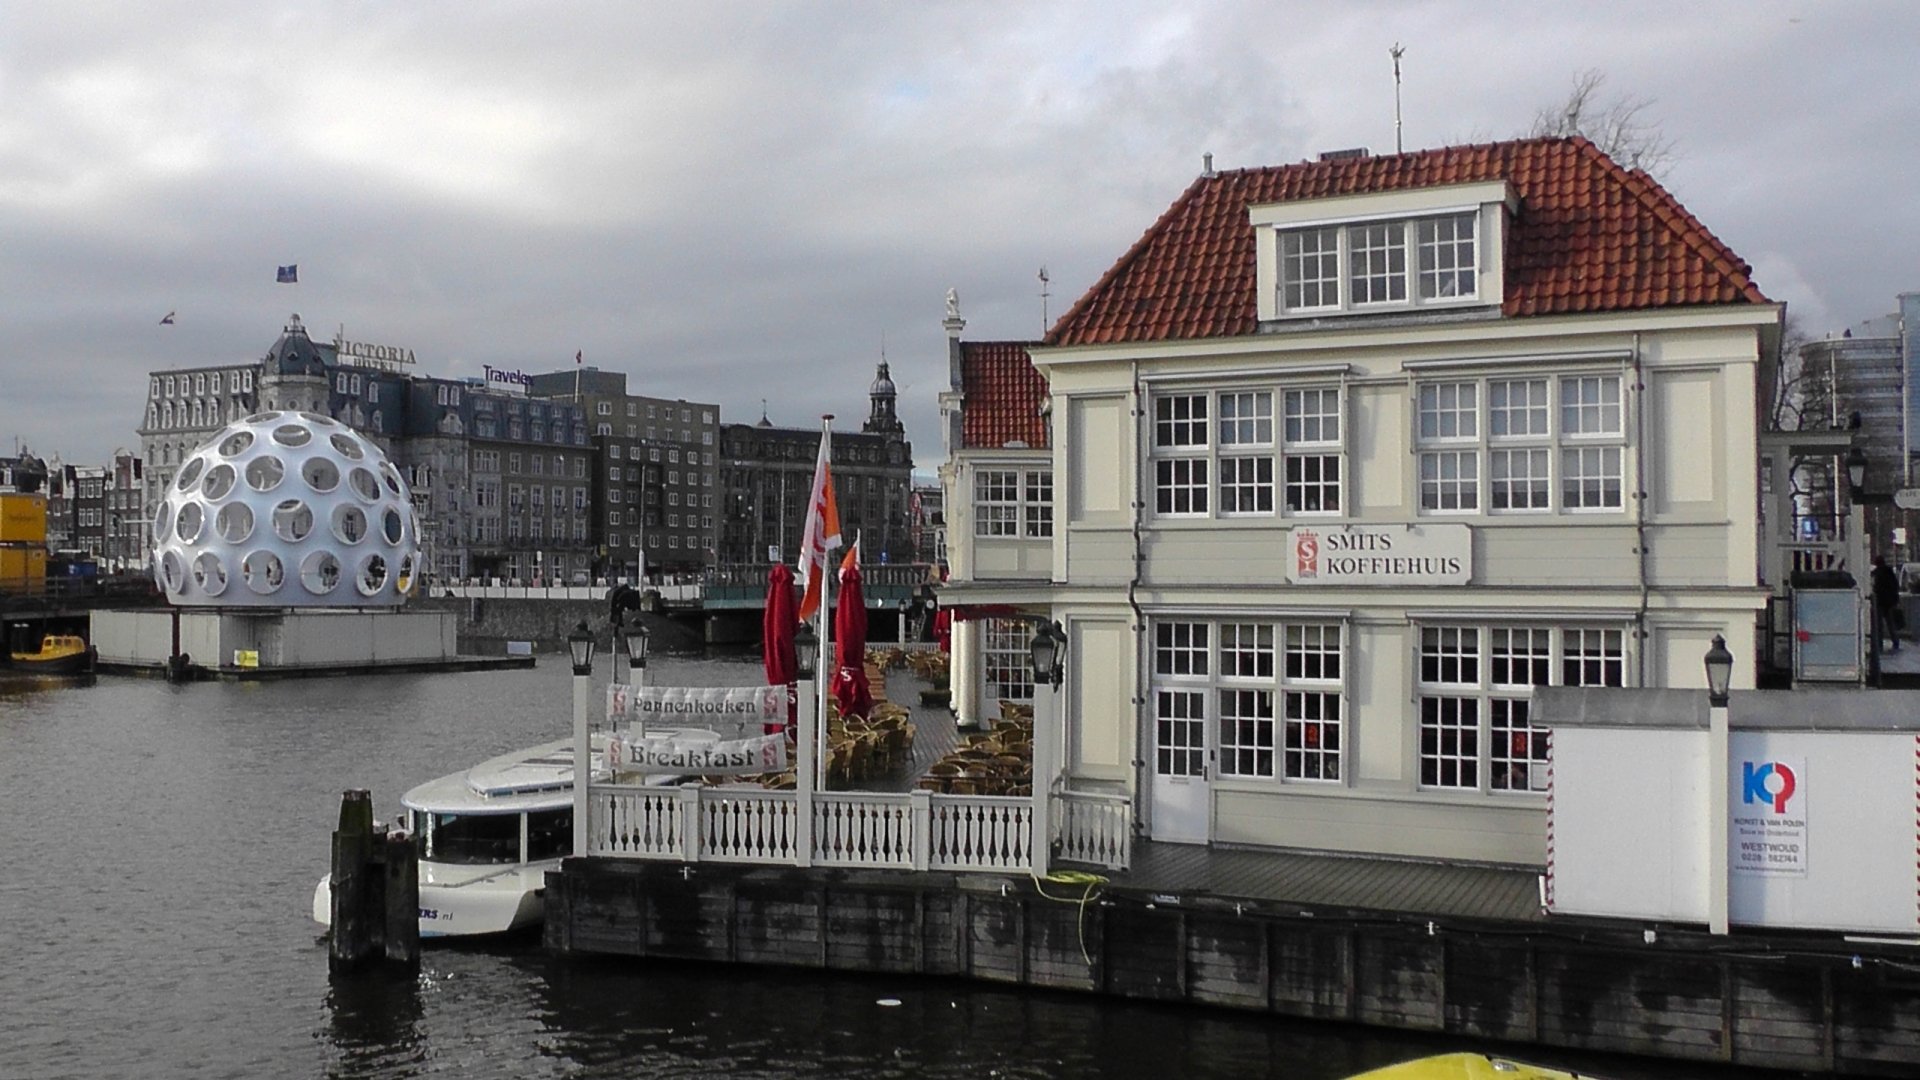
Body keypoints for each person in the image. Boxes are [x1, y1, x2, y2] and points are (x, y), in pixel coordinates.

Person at [1871, 555, 1902, 652]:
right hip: (1889, 602)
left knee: (1878, 625)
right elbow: (1895, 586)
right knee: (1890, 623)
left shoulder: (1877, 573)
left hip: (1879, 602)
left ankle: (1879, 644)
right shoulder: (1889, 572)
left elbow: (1876, 587)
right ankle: (1895, 642)